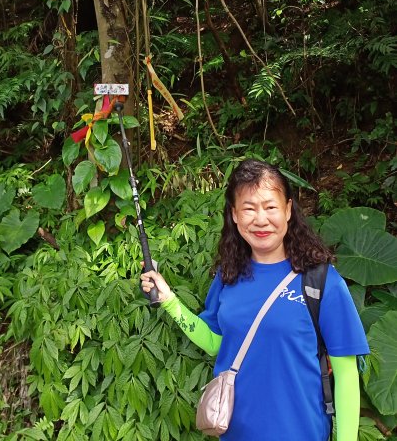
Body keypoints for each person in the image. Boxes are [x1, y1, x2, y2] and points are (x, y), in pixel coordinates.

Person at [141, 158, 369, 441]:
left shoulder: (322, 281)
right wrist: (169, 301)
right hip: (236, 433)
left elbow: (346, 374)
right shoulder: (229, 275)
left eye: (270, 207)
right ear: (234, 215)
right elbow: (215, 342)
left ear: (288, 210)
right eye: (248, 208)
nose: (260, 219)